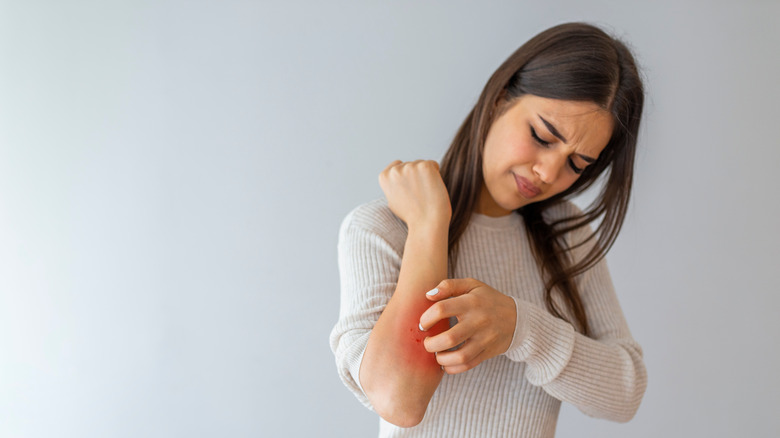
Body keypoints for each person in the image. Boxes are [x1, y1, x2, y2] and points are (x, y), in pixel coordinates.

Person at [330, 22, 647, 437]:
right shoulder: (383, 229)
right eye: (542, 135)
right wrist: (429, 226)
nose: (549, 172)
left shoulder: (566, 239)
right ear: (499, 99)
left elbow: (626, 394)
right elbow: (399, 400)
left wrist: (522, 328)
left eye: (577, 164)